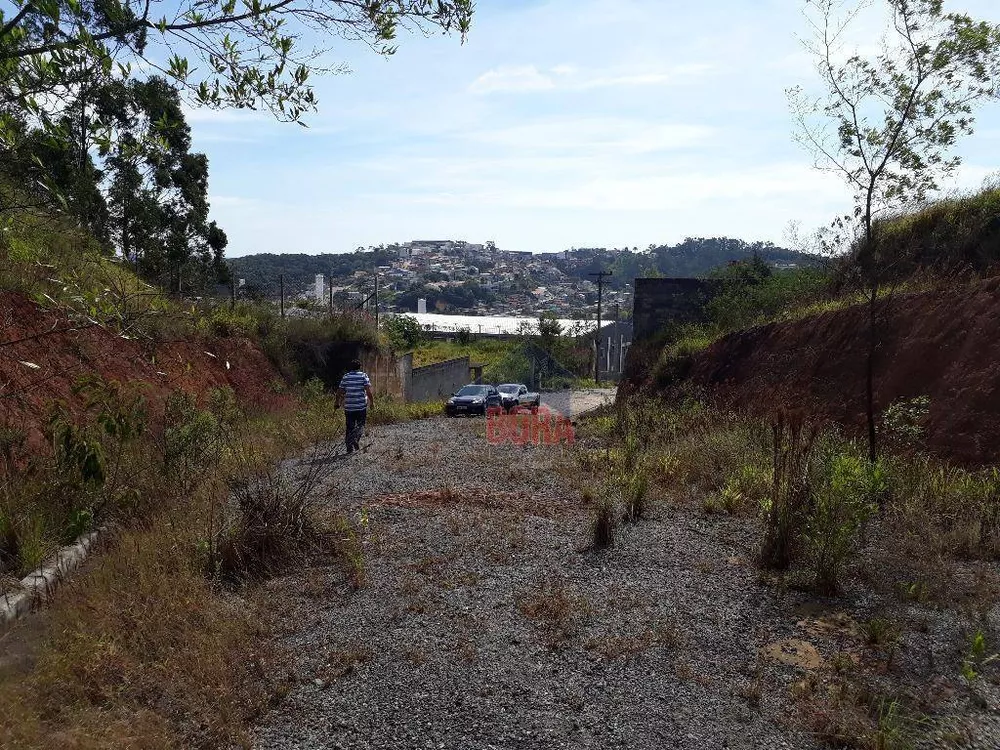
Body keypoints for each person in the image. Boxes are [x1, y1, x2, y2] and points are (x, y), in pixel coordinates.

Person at [336, 359, 374, 454]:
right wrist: (372, 402)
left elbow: (339, 391)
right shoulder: (363, 376)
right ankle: (355, 439)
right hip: (361, 406)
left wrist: (337, 402)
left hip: (349, 407)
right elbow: (368, 391)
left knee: (349, 427)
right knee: (360, 425)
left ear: (351, 367)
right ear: (359, 367)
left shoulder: (346, 377)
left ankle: (349, 448)